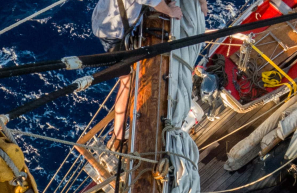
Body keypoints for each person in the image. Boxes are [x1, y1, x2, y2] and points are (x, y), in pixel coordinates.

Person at [89, 0, 209, 149]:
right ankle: (117, 137)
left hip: (109, 17)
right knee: (126, 80)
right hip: (112, 34)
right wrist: (170, 11)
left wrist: (201, 3)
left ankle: (117, 137)